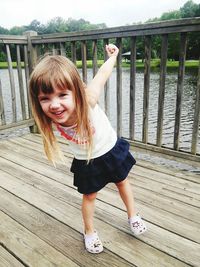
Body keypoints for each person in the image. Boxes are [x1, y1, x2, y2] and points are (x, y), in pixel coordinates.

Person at [29, 44, 147, 254]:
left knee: (122, 182)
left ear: (77, 92)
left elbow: (102, 75)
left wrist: (113, 56)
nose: (54, 105)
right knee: (89, 196)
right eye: (45, 98)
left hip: (110, 150)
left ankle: (133, 215)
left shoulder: (88, 100)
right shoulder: (51, 117)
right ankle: (89, 231)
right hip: (87, 160)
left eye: (62, 95)